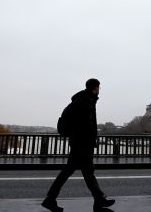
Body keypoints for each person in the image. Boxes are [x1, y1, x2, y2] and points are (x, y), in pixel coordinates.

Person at [42, 78, 115, 212]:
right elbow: (86, 125)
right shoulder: (87, 101)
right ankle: (50, 199)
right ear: (95, 88)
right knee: (73, 172)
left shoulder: (81, 99)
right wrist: (90, 140)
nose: (100, 90)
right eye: (99, 88)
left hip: (79, 142)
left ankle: (98, 199)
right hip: (82, 145)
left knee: (86, 173)